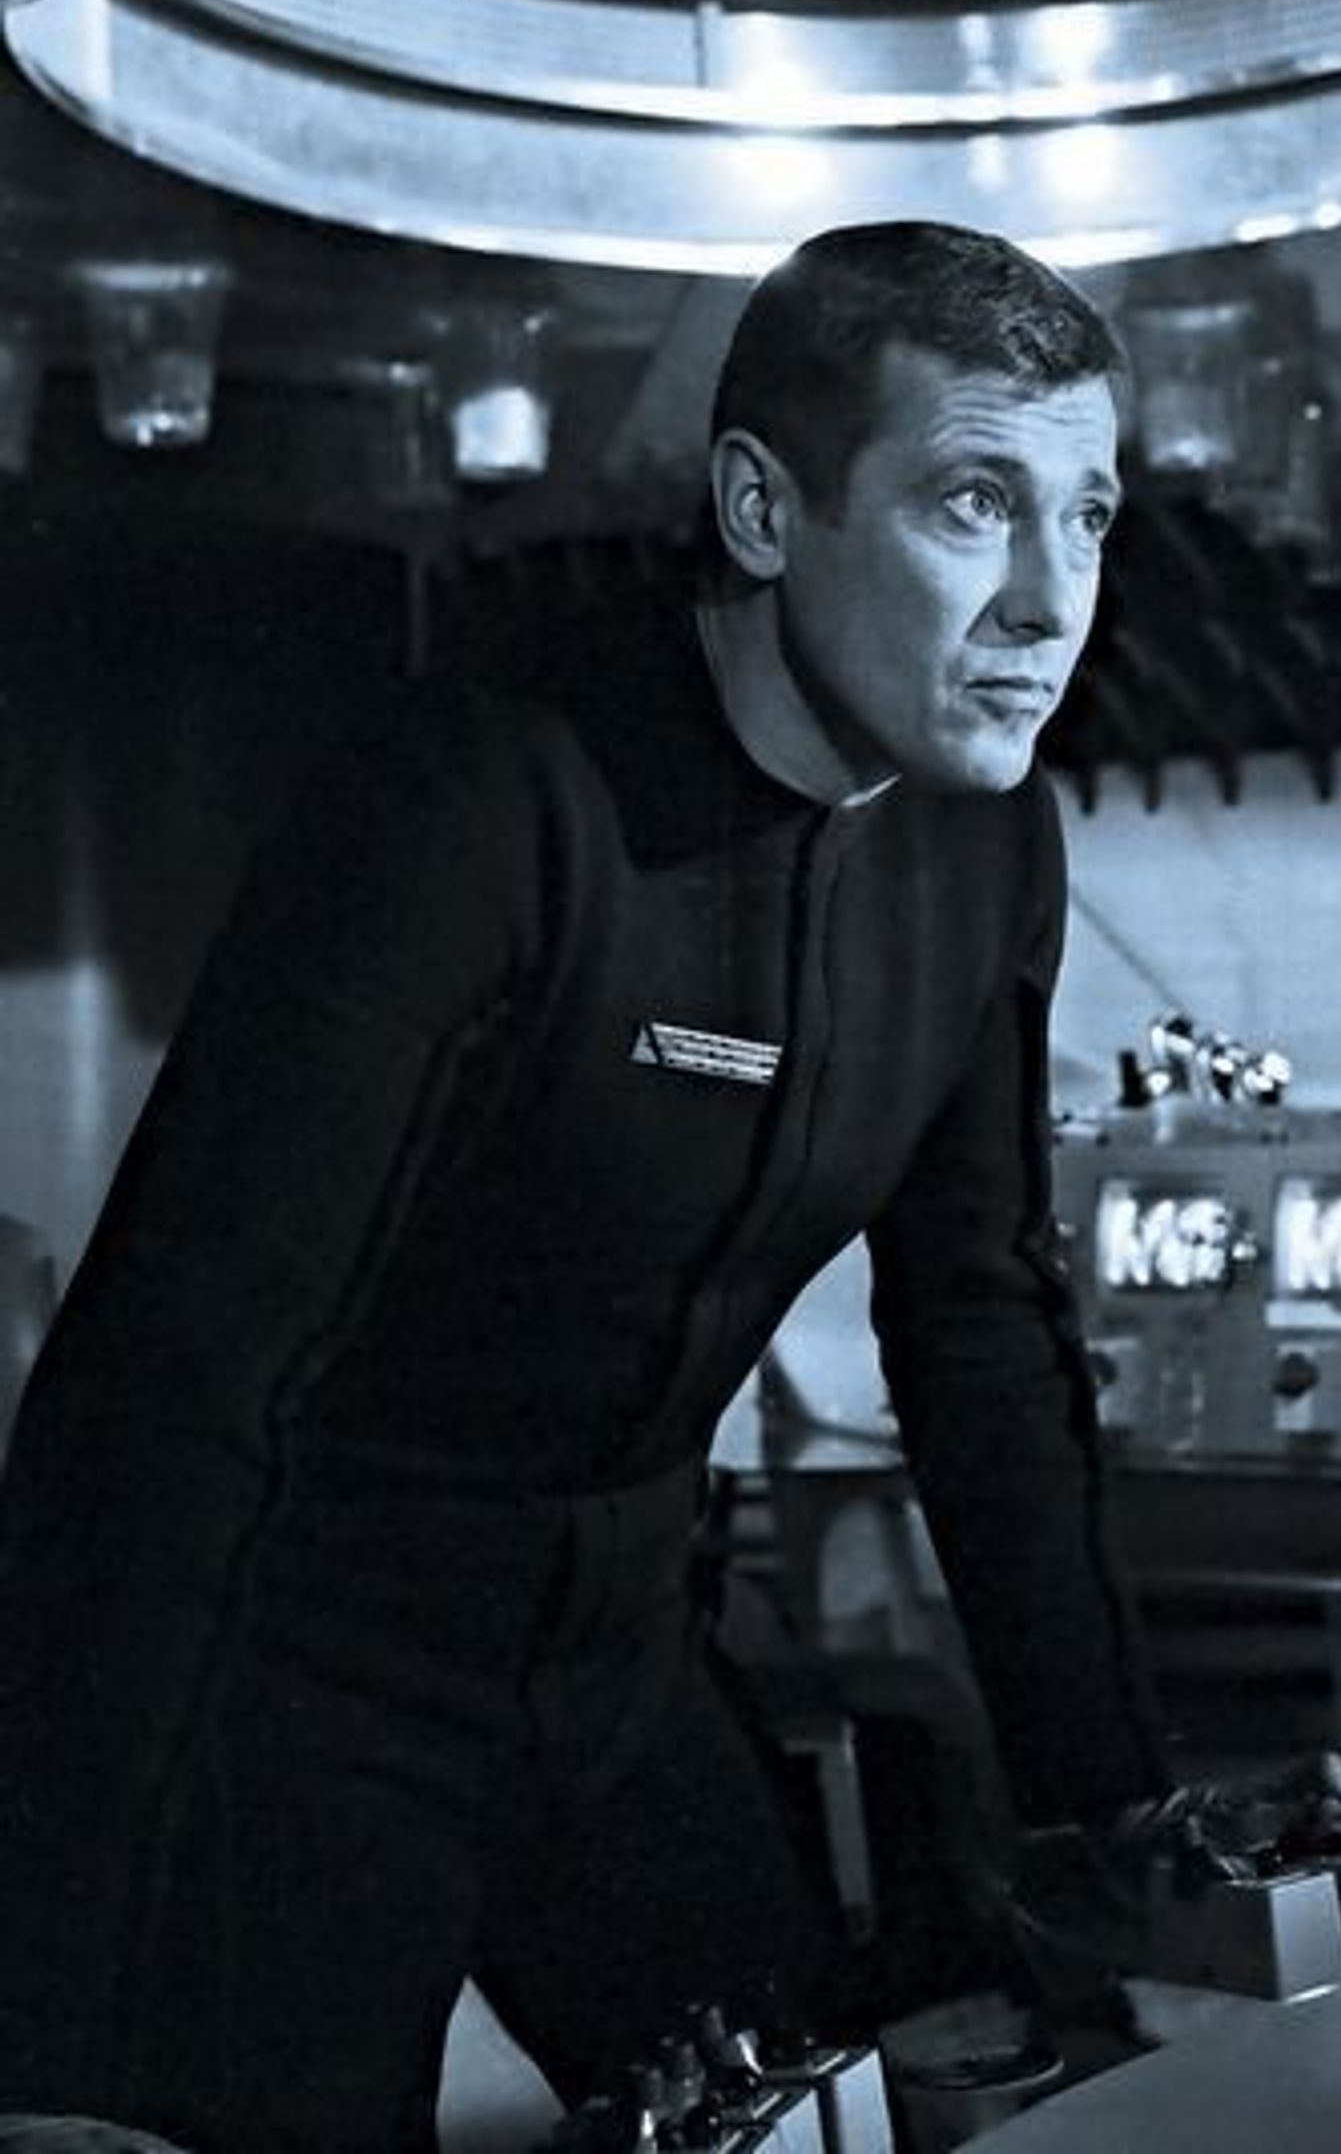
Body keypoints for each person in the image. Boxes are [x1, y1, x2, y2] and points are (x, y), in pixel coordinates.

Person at [0, 223, 1180, 2154]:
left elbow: (976, 1318)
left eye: (1092, 515)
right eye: (976, 503)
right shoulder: (482, 799)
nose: (1054, 603)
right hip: (310, 1681)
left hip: (624, 1668)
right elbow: (179, 1369)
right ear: (765, 510)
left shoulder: (984, 851)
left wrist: (1115, 1818)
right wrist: (47, 2004)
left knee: (800, 2125)